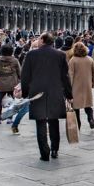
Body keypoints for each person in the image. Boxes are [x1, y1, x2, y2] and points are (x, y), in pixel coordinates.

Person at [21, 32, 73, 160]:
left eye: (39, 39)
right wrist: (68, 94)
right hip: (55, 91)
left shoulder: (31, 54)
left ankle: (44, 153)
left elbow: (25, 76)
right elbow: (65, 77)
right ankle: (55, 150)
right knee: (53, 121)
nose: (37, 41)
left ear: (43, 40)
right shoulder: (60, 55)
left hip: (37, 92)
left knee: (41, 122)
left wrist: (25, 92)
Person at [68, 41, 94, 129]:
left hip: (75, 87)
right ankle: (90, 119)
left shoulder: (73, 60)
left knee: (76, 107)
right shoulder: (89, 59)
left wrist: (68, 88)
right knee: (87, 105)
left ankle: (78, 124)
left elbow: (70, 75)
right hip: (87, 86)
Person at [0, 45, 21, 124]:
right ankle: (9, 118)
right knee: (12, 101)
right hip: (12, 82)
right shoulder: (15, 60)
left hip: (1, 82)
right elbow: (19, 71)